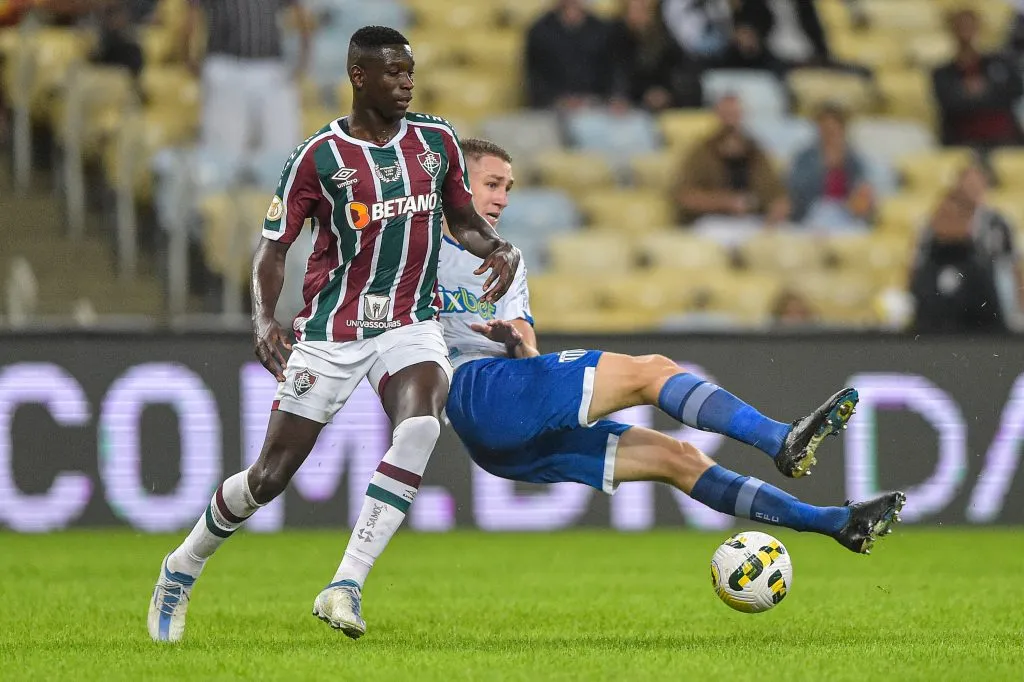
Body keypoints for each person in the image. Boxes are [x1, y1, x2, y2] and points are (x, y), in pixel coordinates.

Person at [346, 137, 903, 638]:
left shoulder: (505, 260)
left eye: (509, 188)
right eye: (493, 184)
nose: (504, 198)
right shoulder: (412, 247)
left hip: (503, 426)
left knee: (675, 458)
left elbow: (530, 346)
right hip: (472, 390)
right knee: (653, 371)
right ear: (458, 184)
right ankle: (780, 439)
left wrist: (515, 339)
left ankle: (837, 522)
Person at [147, 26, 522, 643]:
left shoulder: (436, 141)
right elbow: (273, 249)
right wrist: (265, 319)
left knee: (423, 423)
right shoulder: (320, 157)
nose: (406, 83)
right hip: (333, 330)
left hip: (409, 320)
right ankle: (182, 566)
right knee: (268, 478)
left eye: (410, 72)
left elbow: (462, 221)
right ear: (358, 76)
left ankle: (344, 584)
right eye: (393, 73)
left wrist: (497, 245)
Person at [184, 0, 313, 171]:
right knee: (224, 150)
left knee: (281, 146)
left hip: (271, 67)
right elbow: (192, 11)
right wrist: (188, 56)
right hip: (226, 67)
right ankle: (221, 194)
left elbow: (298, 9)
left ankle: (277, 193)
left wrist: (303, 56)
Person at [909, 164, 1015, 334]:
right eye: (942, 215)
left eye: (953, 216)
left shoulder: (981, 264)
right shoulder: (928, 254)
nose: (944, 223)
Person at [675, 93, 790, 227]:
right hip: (713, 221)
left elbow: (777, 192)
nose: (731, 119)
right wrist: (726, 202)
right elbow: (685, 196)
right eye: (726, 114)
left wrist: (778, 209)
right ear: (717, 115)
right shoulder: (700, 152)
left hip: (754, 220)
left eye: (734, 114)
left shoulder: (756, 152)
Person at [932, 8, 1023, 149]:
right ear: (952, 31)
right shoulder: (942, 73)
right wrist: (987, 93)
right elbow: (950, 105)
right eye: (961, 27)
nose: (966, 33)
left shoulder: (999, 64)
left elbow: (1014, 90)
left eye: (970, 27)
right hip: (965, 141)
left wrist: (979, 91)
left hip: (1006, 138)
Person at [788, 103, 874, 230]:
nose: (829, 134)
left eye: (833, 130)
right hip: (813, 213)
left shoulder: (853, 159)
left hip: (845, 213)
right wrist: (823, 167)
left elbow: (861, 187)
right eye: (825, 129)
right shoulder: (805, 157)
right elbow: (796, 189)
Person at [608, 0, 703, 111]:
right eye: (635, 10)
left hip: (661, 101)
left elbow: (678, 72)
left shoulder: (664, 41)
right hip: (624, 103)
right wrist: (622, 96)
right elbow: (616, 76)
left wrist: (665, 93)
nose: (640, 15)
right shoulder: (613, 40)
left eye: (644, 10)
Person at [525, 0, 612, 109]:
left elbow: (609, 73)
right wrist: (559, 100)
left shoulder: (602, 30)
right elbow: (534, 76)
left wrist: (594, 99)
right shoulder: (540, 30)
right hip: (551, 108)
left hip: (595, 107)